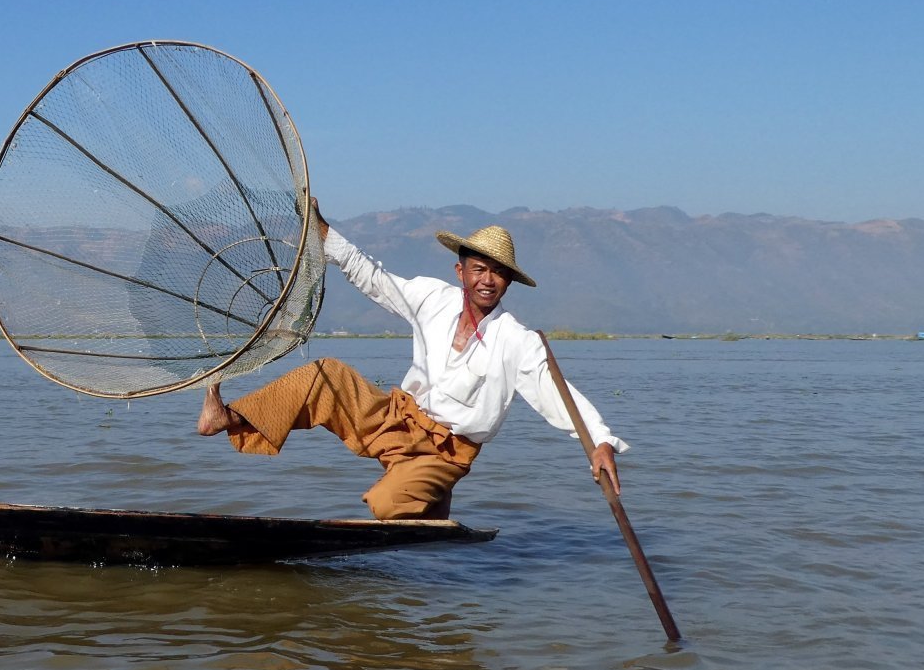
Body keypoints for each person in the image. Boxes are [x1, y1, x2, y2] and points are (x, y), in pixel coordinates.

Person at [195, 203, 626, 519]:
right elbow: (374, 278)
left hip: (445, 452)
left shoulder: (517, 340)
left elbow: (558, 394)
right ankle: (228, 417)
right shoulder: (433, 298)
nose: (488, 280)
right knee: (325, 376)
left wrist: (600, 443)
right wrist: (324, 232)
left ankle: (430, 494)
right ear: (461, 272)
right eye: (479, 269)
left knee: (386, 505)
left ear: (509, 282)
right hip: (396, 419)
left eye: (498, 273)